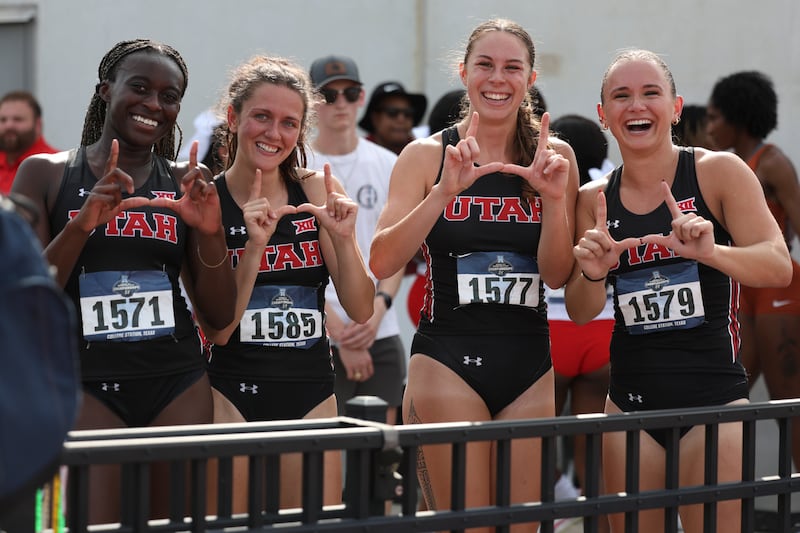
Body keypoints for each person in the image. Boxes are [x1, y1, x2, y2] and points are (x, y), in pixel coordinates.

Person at [10, 39, 237, 524]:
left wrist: (211, 233)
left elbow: (219, 317)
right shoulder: (46, 174)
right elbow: (28, 304)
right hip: (82, 383)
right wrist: (80, 225)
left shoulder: (185, 181)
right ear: (105, 90)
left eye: (169, 95)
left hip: (175, 382)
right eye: (140, 88)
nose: (154, 104)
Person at [565, 49, 792, 533]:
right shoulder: (593, 200)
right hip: (629, 404)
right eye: (621, 96)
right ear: (603, 116)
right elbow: (581, 312)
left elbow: (777, 267)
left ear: (676, 106)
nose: (637, 106)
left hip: (712, 400)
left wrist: (710, 253)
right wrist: (593, 272)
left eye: (651, 93)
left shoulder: (719, 172)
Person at [370, 18, 578, 532]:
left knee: (525, 526)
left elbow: (556, 276)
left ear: (530, 79)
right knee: (465, 525)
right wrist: (442, 192)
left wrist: (554, 202)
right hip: (447, 361)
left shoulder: (555, 156)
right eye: (485, 64)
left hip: (530, 364)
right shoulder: (424, 155)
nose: (497, 78)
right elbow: (380, 260)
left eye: (512, 67)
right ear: (464, 72)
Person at [201, 54, 374, 511]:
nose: (273, 134)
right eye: (261, 117)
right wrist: (254, 247)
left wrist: (344, 239)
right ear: (234, 118)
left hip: (310, 391)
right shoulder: (208, 202)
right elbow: (218, 330)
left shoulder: (316, 191)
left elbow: (360, 307)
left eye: (288, 123)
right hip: (231, 392)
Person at [706, 70, 800, 472]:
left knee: (787, 401)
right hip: (739, 289)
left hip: (780, 287)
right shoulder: (720, 168)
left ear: (738, 116)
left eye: (714, 118)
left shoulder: (773, 162)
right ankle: (725, 499)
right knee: (730, 396)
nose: (709, 129)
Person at [306, 55, 406, 424]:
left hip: (380, 328)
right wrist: (336, 327)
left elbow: (394, 249)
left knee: (384, 455)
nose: (341, 103)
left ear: (361, 97)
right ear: (313, 101)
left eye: (350, 93)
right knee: (322, 458)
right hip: (317, 332)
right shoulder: (299, 164)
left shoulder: (388, 163)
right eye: (329, 95)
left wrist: (376, 313)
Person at [547, 113, 614, 533]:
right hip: (602, 328)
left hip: (551, 328)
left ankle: (556, 508)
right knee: (598, 456)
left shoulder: (544, 189)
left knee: (530, 447)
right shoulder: (607, 191)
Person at [0, 90, 57, 194]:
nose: (8, 126)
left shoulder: (56, 166)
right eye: (3, 120)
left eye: (18, 119)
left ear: (38, 125)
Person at [359, 81, 427, 155]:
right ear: (375, 118)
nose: (401, 119)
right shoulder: (359, 154)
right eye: (392, 112)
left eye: (408, 113)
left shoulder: (425, 155)